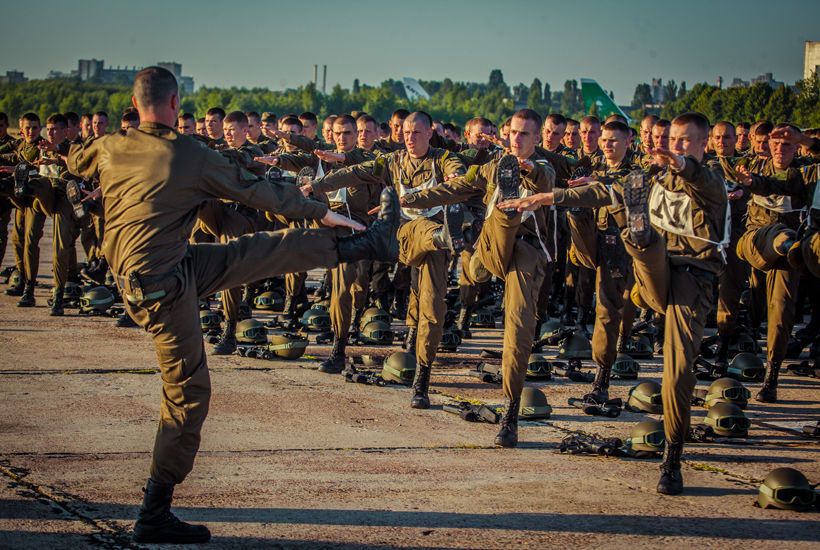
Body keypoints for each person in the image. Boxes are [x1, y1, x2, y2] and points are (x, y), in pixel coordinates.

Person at [63, 66, 400, 544]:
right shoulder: (190, 155)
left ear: (135, 106)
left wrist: (92, 168)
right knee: (188, 394)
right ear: (176, 104)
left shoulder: (109, 146)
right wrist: (325, 212)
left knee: (256, 251)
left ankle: (365, 246)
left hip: (167, 270)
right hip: (162, 290)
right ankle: (153, 513)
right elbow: (259, 191)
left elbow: (77, 156)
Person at [403, 109, 556, 446]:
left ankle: (511, 412)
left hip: (524, 251)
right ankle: (475, 264)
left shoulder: (544, 168)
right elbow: (456, 186)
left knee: (518, 325)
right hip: (490, 247)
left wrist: (524, 169)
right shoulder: (491, 165)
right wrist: (413, 197)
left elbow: (543, 178)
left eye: (525, 135)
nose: (517, 139)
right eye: (513, 133)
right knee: (474, 266)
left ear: (537, 139)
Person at [303, 111, 465, 409]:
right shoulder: (392, 161)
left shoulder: (442, 160)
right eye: (406, 133)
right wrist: (317, 186)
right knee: (352, 277)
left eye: (417, 133)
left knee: (430, 304)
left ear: (430, 133)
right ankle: (340, 347)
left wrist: (455, 178)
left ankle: (422, 378)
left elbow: (457, 170)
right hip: (403, 236)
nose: (410, 138)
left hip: (434, 248)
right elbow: (356, 171)